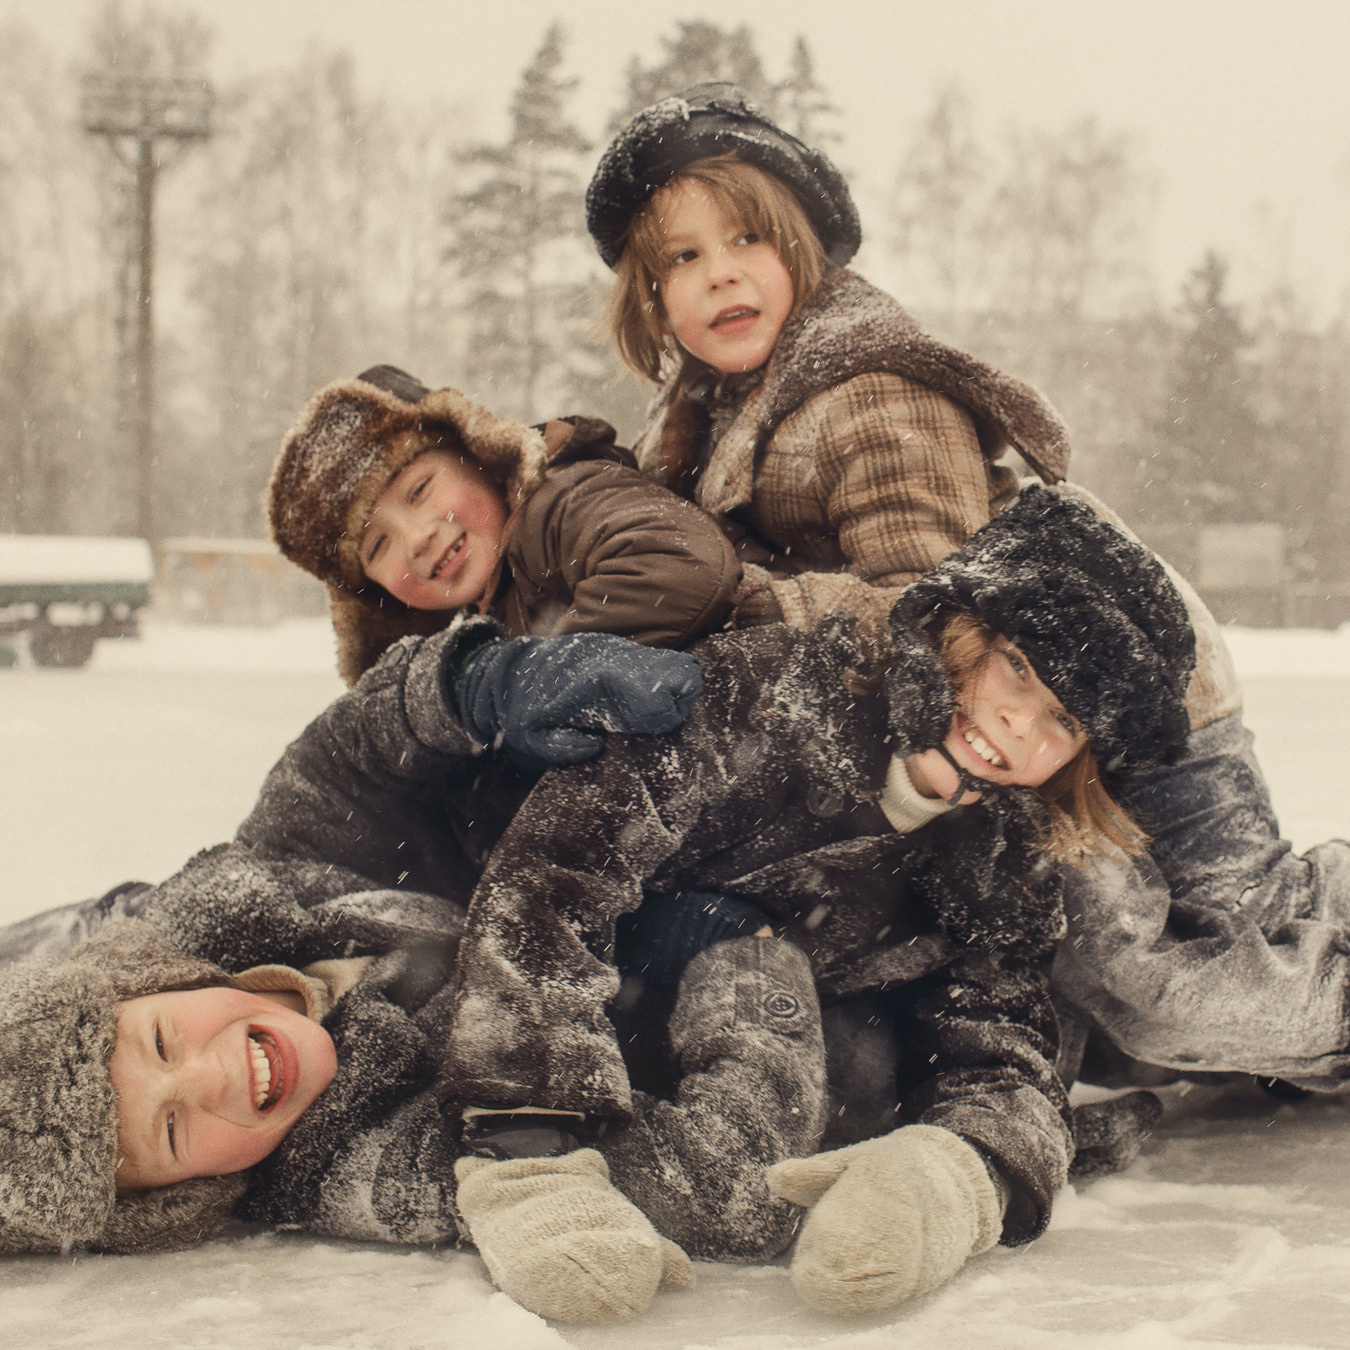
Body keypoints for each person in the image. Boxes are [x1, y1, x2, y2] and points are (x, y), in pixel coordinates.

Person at [585, 81, 1350, 1089]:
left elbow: (929, 600)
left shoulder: (868, 391)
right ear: (650, 295)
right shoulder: (702, 426)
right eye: (683, 258)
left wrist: (745, 609)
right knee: (1145, 991)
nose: (719, 276)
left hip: (1130, 686)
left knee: (1182, 982)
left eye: (746, 243)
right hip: (1018, 724)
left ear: (805, 252)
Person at [437, 487, 1197, 1314]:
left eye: (1063, 721)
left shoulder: (1004, 861)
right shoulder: (764, 695)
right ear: (956, 624)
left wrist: (956, 1171)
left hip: (766, 1056)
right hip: (574, 999)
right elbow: (552, 881)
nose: (1018, 724)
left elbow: (998, 1040)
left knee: (868, 1073)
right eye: (1015, 667)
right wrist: (528, 1144)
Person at [0, 629, 827, 1326]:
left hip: (658, 831)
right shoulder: (381, 1169)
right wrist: (745, 963)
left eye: (159, 1040)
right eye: (174, 1132)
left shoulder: (256, 886)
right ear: (181, 1198)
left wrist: (481, 685)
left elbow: (347, 756)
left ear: (158, 983)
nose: (216, 1071)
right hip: (787, 939)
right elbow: (721, 1186)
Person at [269, 363, 740, 685]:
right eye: (376, 548)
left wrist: (527, 683)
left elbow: (684, 564)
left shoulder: (559, 503)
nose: (416, 538)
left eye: (419, 490)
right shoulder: (490, 609)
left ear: (479, 454)